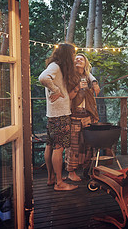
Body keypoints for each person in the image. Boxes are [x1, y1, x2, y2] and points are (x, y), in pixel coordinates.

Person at [38, 43, 78, 191]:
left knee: (50, 145)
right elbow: (42, 78)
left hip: (53, 114)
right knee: (58, 148)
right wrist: (57, 90)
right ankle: (60, 183)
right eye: (73, 54)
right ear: (67, 55)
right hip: (60, 115)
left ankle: (51, 178)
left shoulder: (56, 67)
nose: (74, 57)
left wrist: (61, 91)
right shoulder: (55, 67)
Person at [65, 53, 100, 181]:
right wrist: (77, 87)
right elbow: (69, 97)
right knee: (73, 145)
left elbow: (91, 77)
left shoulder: (87, 77)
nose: (79, 60)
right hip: (74, 115)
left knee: (87, 145)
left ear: (85, 63)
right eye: (76, 59)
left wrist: (95, 83)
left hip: (87, 115)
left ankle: (86, 169)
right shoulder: (70, 77)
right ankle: (71, 171)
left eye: (82, 59)